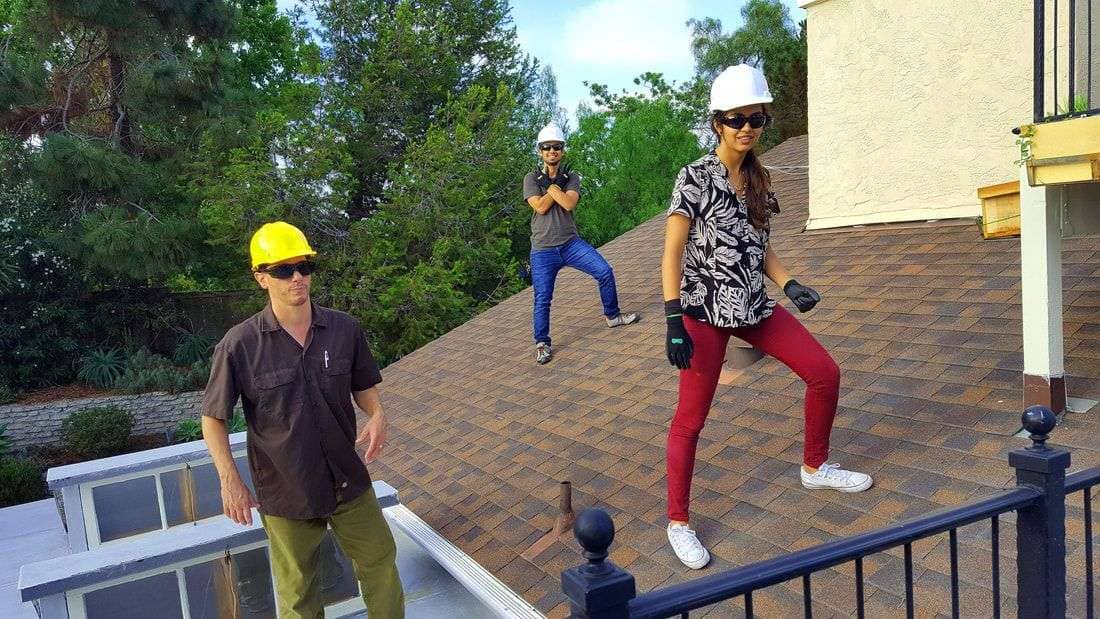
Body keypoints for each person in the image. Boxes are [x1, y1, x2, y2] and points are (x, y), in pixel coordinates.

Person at [661, 65, 873, 570]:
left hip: (754, 307)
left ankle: (816, 465)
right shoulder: (694, 177)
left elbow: (761, 245)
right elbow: (671, 252)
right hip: (704, 313)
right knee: (690, 421)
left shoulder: (760, 177)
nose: (747, 128)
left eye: (756, 118)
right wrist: (672, 320)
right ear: (717, 122)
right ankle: (678, 522)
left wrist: (790, 283)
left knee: (824, 373)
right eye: (736, 119)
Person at [201, 221, 404, 618]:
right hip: (286, 487)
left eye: (304, 266)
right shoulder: (239, 344)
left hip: (348, 477)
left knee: (380, 563)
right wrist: (230, 481)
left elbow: (363, 385)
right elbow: (213, 419)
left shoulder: (344, 329)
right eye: (283, 269)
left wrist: (377, 414)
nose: (297, 277)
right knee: (298, 593)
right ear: (261, 277)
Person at [523, 123, 639, 364]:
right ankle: (542, 343)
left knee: (604, 271)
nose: (552, 151)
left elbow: (568, 204)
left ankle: (613, 316)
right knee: (543, 297)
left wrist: (553, 189)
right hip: (543, 250)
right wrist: (556, 188)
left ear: (563, 150)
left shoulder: (573, 177)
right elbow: (540, 207)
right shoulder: (531, 178)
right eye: (547, 147)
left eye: (557, 147)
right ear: (540, 151)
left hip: (570, 244)